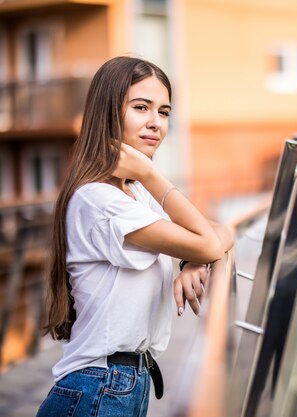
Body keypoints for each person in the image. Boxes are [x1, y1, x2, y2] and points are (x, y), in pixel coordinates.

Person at [36, 56, 234, 417]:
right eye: (141, 108)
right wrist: (150, 174)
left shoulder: (134, 194)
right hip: (98, 387)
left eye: (164, 111)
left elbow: (221, 231)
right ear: (108, 112)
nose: (155, 123)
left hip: (122, 383)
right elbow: (209, 240)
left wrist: (191, 258)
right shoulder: (99, 199)